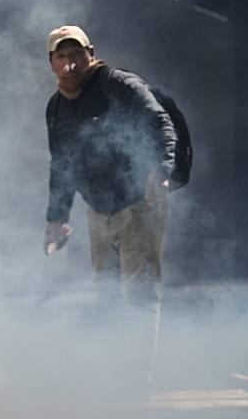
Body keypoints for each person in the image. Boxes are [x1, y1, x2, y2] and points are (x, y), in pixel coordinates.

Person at [42, 24, 182, 386]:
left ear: (91, 52)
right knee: (106, 297)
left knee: (139, 294)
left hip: (138, 204)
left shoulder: (117, 84)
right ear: (52, 63)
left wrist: (159, 170)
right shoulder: (56, 107)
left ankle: (137, 384)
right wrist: (56, 219)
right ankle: (111, 375)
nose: (70, 62)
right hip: (97, 212)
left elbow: (161, 123)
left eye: (77, 54)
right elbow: (61, 165)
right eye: (62, 56)